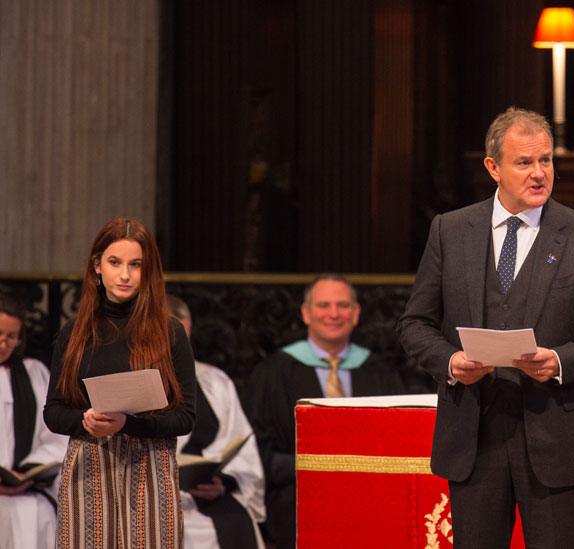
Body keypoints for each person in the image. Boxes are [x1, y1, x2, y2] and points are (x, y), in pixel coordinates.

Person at [397, 107, 574, 548]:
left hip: (556, 439)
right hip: (474, 438)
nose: (539, 173)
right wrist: (450, 362)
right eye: (524, 163)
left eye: (545, 160)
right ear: (493, 168)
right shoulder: (450, 231)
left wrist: (560, 361)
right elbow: (414, 324)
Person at [44, 218, 197, 548]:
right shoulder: (75, 333)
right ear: (97, 266)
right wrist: (85, 420)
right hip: (90, 462)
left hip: (150, 466)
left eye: (136, 265)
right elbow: (53, 412)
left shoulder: (169, 332)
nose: (125, 275)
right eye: (115, 263)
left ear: (149, 271)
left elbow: (185, 417)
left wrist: (128, 423)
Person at [247, 274, 404, 548]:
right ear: (306, 313)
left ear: (355, 314)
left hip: (371, 497)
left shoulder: (379, 372)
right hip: (296, 497)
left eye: (343, 306)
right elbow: (257, 446)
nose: (334, 314)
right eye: (323, 305)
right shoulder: (272, 373)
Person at [169, 295, 265, 549]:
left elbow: (242, 448)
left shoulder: (214, 381)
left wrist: (222, 482)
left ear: (187, 329)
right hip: (149, 500)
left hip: (209, 498)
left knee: (237, 520)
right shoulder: (130, 384)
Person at [0, 294, 69, 549]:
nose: (3, 343)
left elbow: (55, 436)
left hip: (29, 492)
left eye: (11, 337)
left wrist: (31, 470)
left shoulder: (33, 373)